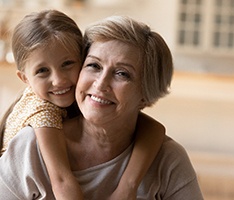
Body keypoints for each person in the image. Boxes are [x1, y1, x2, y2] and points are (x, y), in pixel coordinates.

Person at [0, 14, 204, 199]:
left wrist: (129, 185)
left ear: (146, 93)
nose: (100, 84)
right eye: (94, 66)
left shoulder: (168, 161)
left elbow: (155, 128)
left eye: (122, 73)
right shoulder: (29, 147)